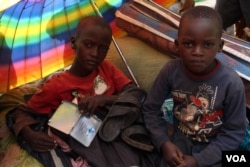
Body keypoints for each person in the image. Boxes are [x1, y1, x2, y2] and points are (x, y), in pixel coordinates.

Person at [8, 15, 155, 167]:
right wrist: (28, 133)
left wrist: (102, 100)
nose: (95, 53)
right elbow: (23, 112)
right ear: (74, 43)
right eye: (89, 45)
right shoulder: (57, 85)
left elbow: (133, 94)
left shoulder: (106, 68)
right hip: (87, 139)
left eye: (102, 48)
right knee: (69, 115)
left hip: (114, 129)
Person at [142, 6, 247, 167]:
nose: (197, 52)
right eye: (189, 44)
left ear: (220, 46)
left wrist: (199, 161)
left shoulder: (231, 83)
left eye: (207, 44)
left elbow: (234, 133)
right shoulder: (171, 71)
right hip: (179, 145)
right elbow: (150, 110)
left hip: (218, 149)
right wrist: (163, 143)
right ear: (177, 44)